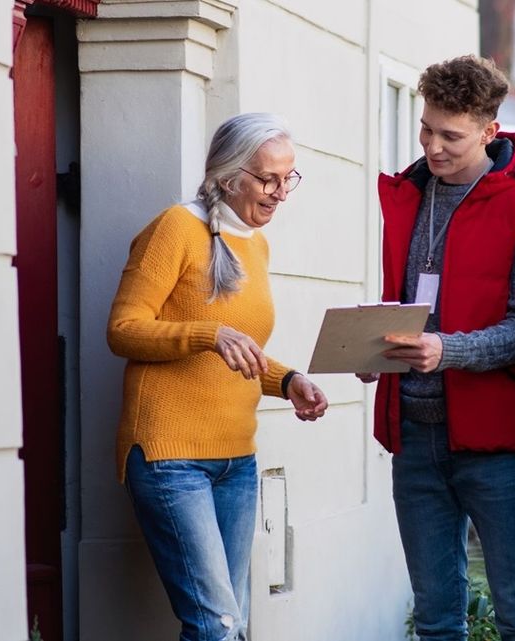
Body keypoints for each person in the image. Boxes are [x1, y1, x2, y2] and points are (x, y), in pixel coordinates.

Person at [359, 55, 515, 641]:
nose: (434, 146)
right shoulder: (409, 193)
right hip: (415, 439)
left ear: (489, 131)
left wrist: (444, 351)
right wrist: (376, 353)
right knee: (435, 619)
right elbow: (409, 304)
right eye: (427, 129)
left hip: (496, 444)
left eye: (451, 135)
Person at [106, 112, 328, 641]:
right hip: (168, 457)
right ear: (229, 176)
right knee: (216, 624)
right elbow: (123, 330)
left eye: (287, 178)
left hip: (237, 460)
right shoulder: (175, 227)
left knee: (231, 624)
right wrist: (208, 333)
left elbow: (241, 350)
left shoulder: (254, 242)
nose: (280, 193)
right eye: (268, 178)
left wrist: (287, 379)